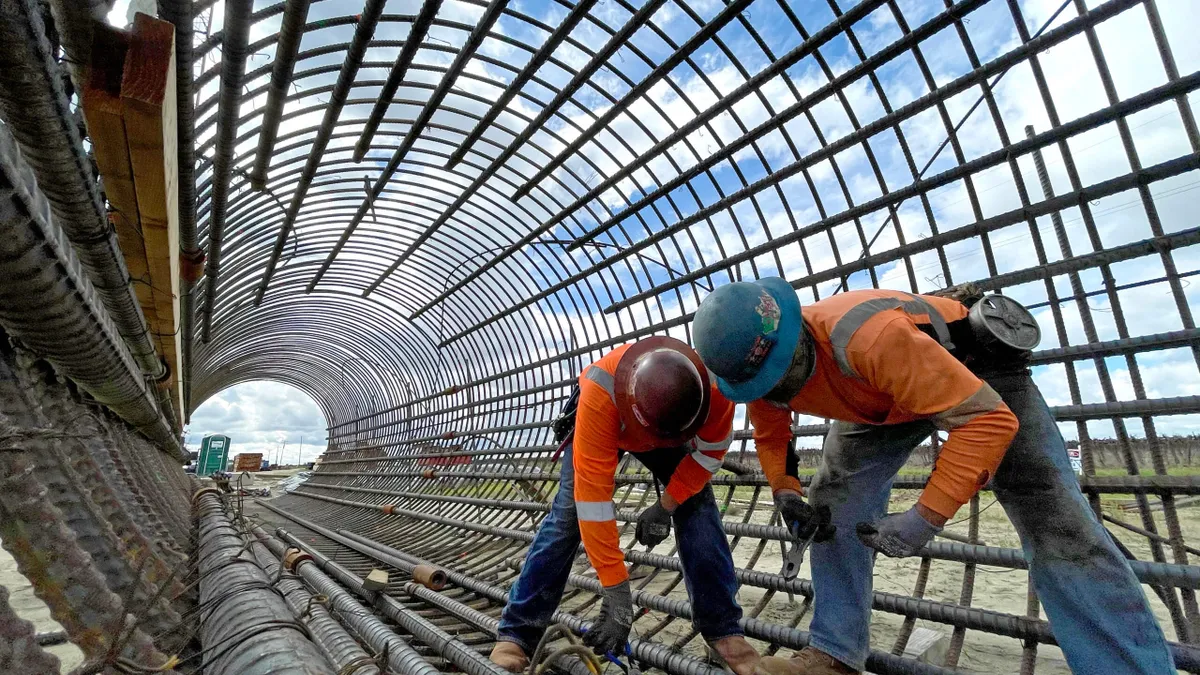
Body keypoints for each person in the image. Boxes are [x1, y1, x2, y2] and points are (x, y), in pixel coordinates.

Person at [690, 278, 1175, 675]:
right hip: (875, 401)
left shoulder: (868, 338)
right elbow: (773, 436)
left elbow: (987, 421)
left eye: (783, 375)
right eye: (766, 385)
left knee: (1058, 525)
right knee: (831, 506)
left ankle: (1127, 667)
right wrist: (786, 491)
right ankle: (834, 654)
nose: (779, 390)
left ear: (798, 339)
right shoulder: (758, 375)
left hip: (974, 374)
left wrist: (925, 518)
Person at [489, 336, 761, 675]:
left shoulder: (715, 393)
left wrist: (666, 505)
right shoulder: (600, 394)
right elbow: (592, 503)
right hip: (613, 418)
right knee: (569, 515)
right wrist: (617, 594)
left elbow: (707, 457)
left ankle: (724, 632)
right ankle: (517, 632)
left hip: (667, 424)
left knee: (698, 506)